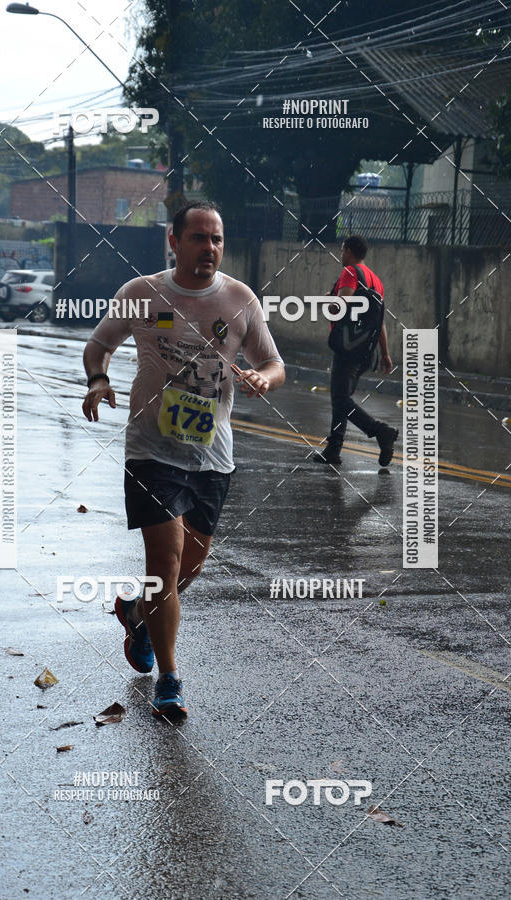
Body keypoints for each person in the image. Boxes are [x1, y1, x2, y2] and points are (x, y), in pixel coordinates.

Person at [82, 201, 285, 720]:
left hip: (212, 455)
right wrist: (98, 380)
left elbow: (273, 362)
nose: (209, 248)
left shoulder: (240, 300)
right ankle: (169, 680)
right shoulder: (142, 293)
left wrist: (263, 378)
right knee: (165, 562)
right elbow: (99, 344)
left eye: (217, 239)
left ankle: (136, 613)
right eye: (198, 237)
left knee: (187, 568)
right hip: (151, 449)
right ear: (174, 241)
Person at [313, 234, 398, 467]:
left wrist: (326, 301)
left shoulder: (350, 272)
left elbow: (339, 307)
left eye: (342, 250)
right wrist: (385, 354)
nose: (341, 254)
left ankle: (380, 431)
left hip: (348, 349)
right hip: (367, 352)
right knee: (341, 398)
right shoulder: (376, 281)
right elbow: (380, 322)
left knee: (340, 399)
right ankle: (333, 449)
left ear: (349, 251)